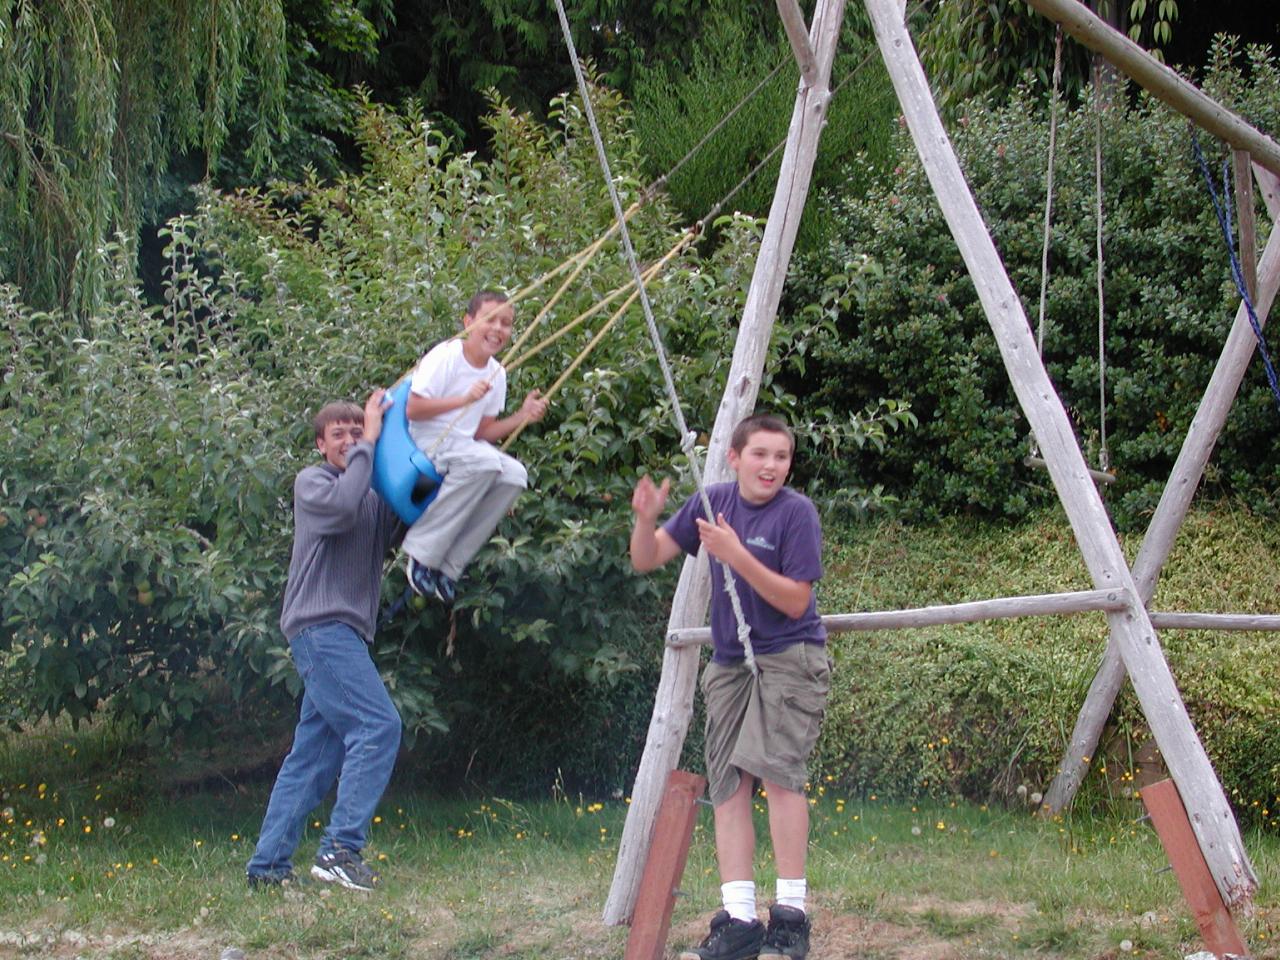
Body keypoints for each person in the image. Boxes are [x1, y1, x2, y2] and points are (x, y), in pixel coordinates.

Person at [630, 413, 830, 960]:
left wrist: (735, 554)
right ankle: (739, 923)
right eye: (760, 454)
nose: (771, 466)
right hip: (729, 664)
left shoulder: (797, 514)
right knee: (729, 784)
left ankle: (790, 920)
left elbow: (796, 601)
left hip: (789, 658)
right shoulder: (711, 501)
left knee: (782, 778)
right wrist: (646, 520)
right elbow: (646, 559)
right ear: (734, 458)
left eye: (782, 456)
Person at [246, 391, 405, 892]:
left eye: (357, 432)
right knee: (378, 726)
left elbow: (404, 520)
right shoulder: (314, 484)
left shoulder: (371, 494)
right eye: (340, 434)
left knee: (313, 756)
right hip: (320, 627)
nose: (351, 440)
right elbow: (341, 509)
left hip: (345, 633)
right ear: (320, 445)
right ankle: (340, 850)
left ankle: (268, 868)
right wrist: (373, 443)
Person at [401, 290, 547, 604]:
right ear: (468, 322)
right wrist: (463, 399)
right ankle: (421, 554)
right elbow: (413, 409)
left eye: (506, 323)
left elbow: (482, 433)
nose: (498, 329)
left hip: (463, 446)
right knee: (484, 464)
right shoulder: (447, 355)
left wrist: (522, 416)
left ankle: (449, 568)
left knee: (515, 475)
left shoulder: (497, 373)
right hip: (428, 441)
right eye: (489, 320)